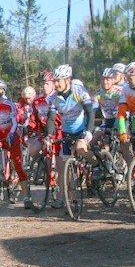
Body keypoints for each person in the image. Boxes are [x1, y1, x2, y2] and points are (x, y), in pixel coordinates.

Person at [46, 65, 96, 209]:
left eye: (58, 81)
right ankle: (67, 197)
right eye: (54, 81)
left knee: (81, 149)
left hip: (82, 129)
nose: (56, 84)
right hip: (67, 133)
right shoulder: (54, 98)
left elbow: (90, 111)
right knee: (62, 166)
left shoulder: (78, 91)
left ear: (68, 80)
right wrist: (49, 136)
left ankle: (96, 164)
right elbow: (51, 118)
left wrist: (89, 131)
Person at [0, 78, 33, 209]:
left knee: (18, 165)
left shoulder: (9, 105)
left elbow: (14, 122)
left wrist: (10, 134)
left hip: (12, 137)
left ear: (1, 91)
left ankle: (27, 197)